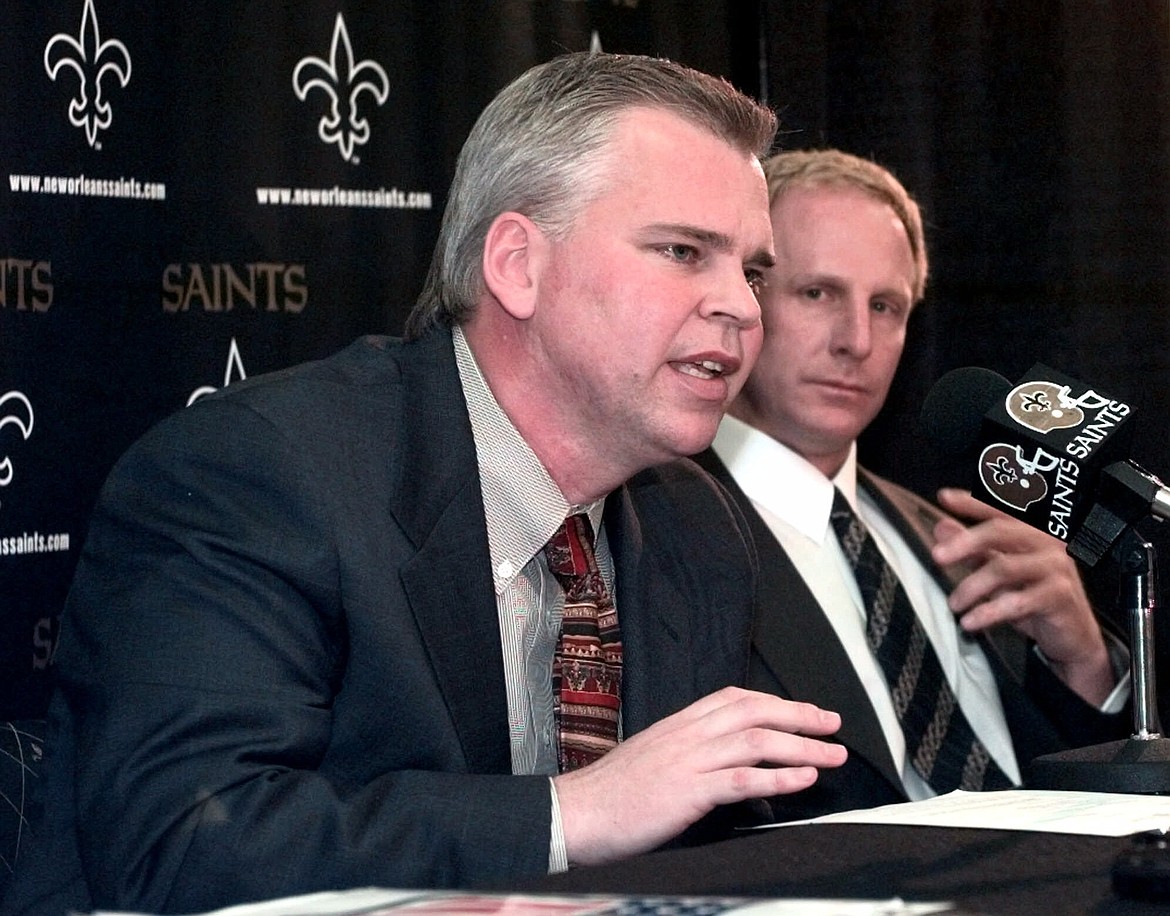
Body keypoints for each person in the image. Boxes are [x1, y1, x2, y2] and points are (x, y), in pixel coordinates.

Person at [3, 54, 850, 915]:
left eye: (750, 271)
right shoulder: (259, 474)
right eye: (682, 251)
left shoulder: (696, 522)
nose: (744, 310)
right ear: (517, 265)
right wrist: (572, 812)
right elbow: (179, 842)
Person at [700, 148, 1130, 821]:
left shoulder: (952, 536)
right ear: (744, 296)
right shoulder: (655, 527)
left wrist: (1083, 664)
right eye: (818, 293)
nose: (858, 341)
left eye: (887, 306)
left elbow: (1087, 796)